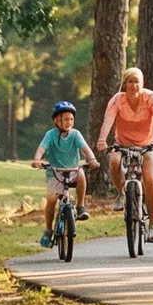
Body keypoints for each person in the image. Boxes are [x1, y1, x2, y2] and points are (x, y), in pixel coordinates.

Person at [97, 66, 153, 243]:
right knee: (113, 161)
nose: (133, 85)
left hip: (149, 145)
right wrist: (101, 140)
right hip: (123, 144)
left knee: (150, 179)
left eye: (137, 82)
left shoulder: (151, 98)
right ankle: (122, 192)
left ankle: (152, 226)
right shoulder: (117, 100)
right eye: (130, 81)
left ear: (142, 84)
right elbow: (108, 120)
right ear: (124, 84)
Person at [33, 101, 98, 249]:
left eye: (71, 119)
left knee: (81, 173)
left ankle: (81, 206)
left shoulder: (75, 134)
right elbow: (41, 148)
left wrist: (92, 159)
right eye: (65, 119)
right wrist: (37, 159)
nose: (69, 122)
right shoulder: (50, 135)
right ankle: (48, 230)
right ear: (56, 120)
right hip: (54, 173)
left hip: (72, 170)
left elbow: (86, 149)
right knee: (51, 200)